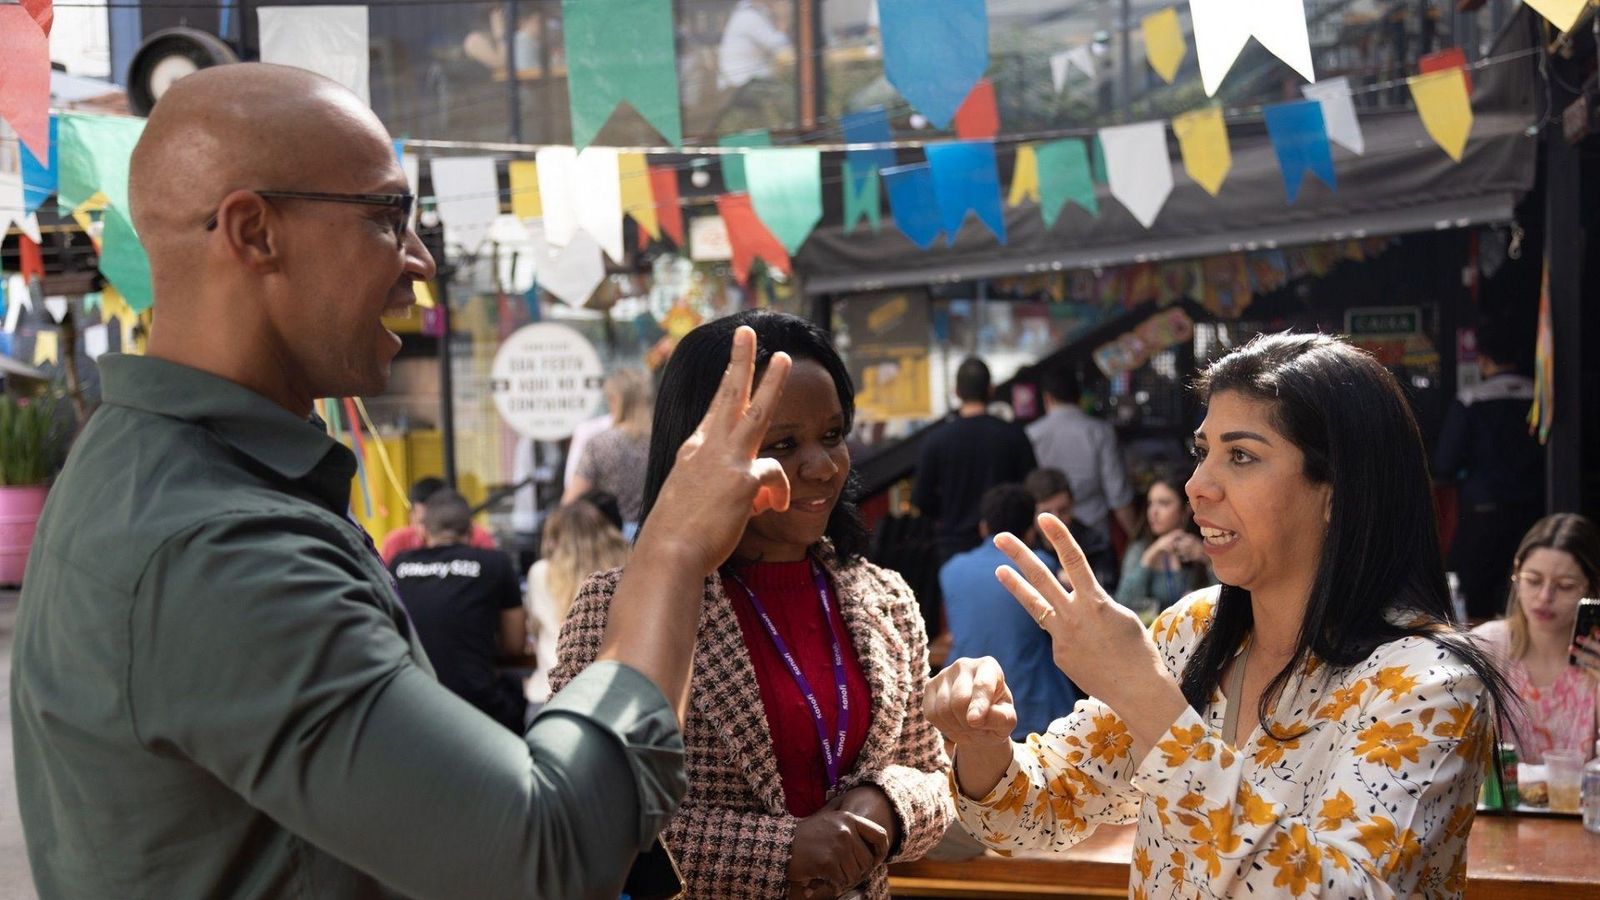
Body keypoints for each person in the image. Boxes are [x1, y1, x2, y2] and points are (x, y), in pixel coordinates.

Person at [11, 63, 798, 899]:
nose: (419, 260)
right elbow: (548, 850)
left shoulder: (154, 472)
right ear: (253, 232)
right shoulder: (215, 543)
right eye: (388, 216)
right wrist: (673, 550)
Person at [927, 332, 1515, 897]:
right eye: (1202, 453)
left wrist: (1146, 698)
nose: (1196, 485)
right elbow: (1034, 811)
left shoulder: (1430, 684)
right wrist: (982, 739)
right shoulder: (1191, 632)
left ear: (1339, 488)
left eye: (1240, 456)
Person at [552, 310, 952, 900]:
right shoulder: (619, 602)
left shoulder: (885, 597)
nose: (821, 467)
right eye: (784, 444)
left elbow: (931, 774)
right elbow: (585, 810)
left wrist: (887, 807)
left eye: (834, 435)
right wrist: (781, 852)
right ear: (701, 449)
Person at [941, 484, 1078, 739]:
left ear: (983, 527)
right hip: (1033, 711)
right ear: (1030, 533)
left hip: (965, 706)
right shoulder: (1040, 566)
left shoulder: (951, 570)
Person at [390, 490, 527, 730]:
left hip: (412, 704)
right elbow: (514, 645)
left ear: (422, 531)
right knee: (516, 687)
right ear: (472, 531)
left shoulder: (399, 565)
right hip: (478, 704)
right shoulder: (495, 563)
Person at [1435, 326, 1546, 620]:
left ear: (1483, 360)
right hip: (1535, 510)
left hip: (1483, 512)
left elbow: (1445, 463)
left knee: (1477, 596)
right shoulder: (1541, 396)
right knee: (1529, 590)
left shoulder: (1472, 400)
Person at [1471, 513, 1600, 763]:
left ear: (1591, 588)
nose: (1544, 598)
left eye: (1564, 586)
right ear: (1517, 574)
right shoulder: (1487, 647)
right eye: (1533, 581)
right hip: (1500, 802)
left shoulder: (1595, 656)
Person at [913, 356, 1038, 565]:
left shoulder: (935, 441)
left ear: (957, 391)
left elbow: (921, 498)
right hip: (1008, 543)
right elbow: (1030, 488)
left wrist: (948, 513)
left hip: (954, 546)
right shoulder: (1013, 435)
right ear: (991, 389)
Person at [525, 494, 633, 703]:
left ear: (556, 539)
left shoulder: (541, 573)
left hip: (551, 695)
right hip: (612, 694)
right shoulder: (626, 571)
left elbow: (535, 629)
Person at [1026, 364, 1138, 548]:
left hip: (1046, 531)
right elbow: (1117, 494)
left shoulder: (1032, 434)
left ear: (1047, 397)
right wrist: (1136, 538)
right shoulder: (1100, 432)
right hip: (1094, 531)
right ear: (1079, 397)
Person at [563, 366, 652, 534]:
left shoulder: (600, 443)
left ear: (615, 400)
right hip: (653, 536)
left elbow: (571, 501)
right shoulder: (661, 443)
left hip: (609, 539)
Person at [1114, 470, 1214, 619]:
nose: (1153, 512)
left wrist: (1207, 560)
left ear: (1186, 510)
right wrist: (1148, 558)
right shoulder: (1140, 549)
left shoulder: (1205, 546)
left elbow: (1226, 600)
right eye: (1150, 504)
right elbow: (1122, 604)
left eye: (1164, 503)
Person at [1023, 467, 1118, 590]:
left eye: (1063, 511)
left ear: (1072, 506)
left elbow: (1107, 592)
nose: (1056, 520)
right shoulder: (1024, 546)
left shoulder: (1096, 545)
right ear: (1032, 513)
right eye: (1046, 513)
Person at [380, 475, 496, 563]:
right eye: (421, 522)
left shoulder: (479, 539)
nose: (426, 531)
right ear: (411, 517)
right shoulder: (396, 543)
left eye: (434, 523)